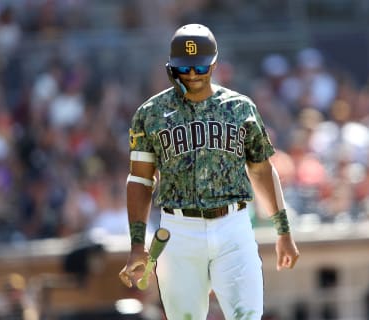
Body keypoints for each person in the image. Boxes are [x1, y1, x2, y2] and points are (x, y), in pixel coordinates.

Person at [119, 23, 300, 320]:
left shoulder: (241, 107)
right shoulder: (150, 113)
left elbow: (261, 170)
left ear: (214, 63)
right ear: (171, 66)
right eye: (184, 66)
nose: (191, 74)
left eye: (200, 66)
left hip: (234, 225)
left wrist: (283, 230)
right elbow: (140, 179)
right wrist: (137, 243)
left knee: (247, 315)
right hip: (177, 230)